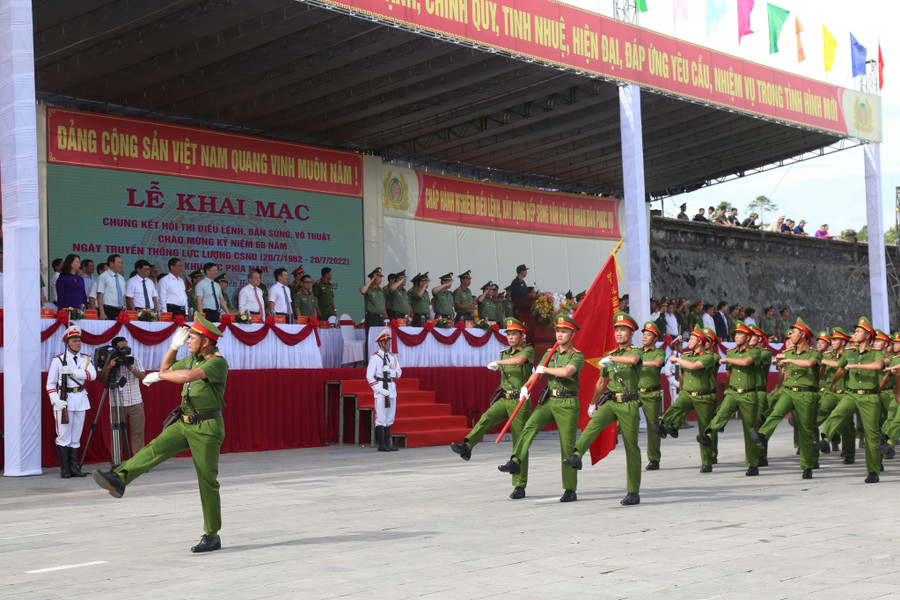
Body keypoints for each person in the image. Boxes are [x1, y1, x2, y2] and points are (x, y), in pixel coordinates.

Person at [93, 317, 229, 553]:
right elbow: (167, 368)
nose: (188, 341)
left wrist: (159, 376)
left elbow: (185, 377)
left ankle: (212, 534)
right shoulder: (191, 359)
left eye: (192, 338)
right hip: (184, 421)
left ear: (206, 341)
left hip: (206, 428)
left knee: (207, 480)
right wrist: (173, 347)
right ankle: (120, 478)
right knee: (154, 448)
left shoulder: (216, 362)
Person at [498, 314, 583, 503]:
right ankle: (516, 461)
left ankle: (570, 488)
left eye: (564, 331)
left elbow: (566, 372)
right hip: (549, 401)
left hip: (567, 403)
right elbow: (536, 374)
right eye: (558, 331)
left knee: (567, 446)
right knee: (529, 427)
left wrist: (545, 370)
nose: (559, 335)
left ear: (572, 333)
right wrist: (526, 387)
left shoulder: (576, 355)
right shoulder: (548, 354)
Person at [563, 312, 643, 505]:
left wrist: (612, 360)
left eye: (623, 330)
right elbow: (601, 382)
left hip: (629, 403)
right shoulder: (611, 355)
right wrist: (593, 403)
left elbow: (633, 360)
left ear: (631, 334)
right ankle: (577, 456)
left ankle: (633, 491)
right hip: (612, 402)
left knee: (631, 447)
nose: (618, 333)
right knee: (592, 426)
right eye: (616, 330)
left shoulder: (637, 351)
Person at [450, 317, 534, 499]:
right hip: (505, 399)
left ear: (522, 335)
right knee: (486, 418)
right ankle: (467, 446)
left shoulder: (527, 349)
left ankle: (520, 485)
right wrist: (500, 362)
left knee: (520, 442)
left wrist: (499, 363)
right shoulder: (504, 353)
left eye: (514, 334)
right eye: (509, 334)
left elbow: (519, 361)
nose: (510, 337)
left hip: (519, 401)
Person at [814, 317, 885, 483]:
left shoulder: (875, 353)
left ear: (867, 336)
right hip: (851, 393)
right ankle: (825, 440)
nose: (855, 334)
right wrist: (834, 382)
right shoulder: (849, 353)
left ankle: (873, 471)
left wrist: (856, 366)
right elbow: (840, 369)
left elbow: (878, 366)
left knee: (871, 434)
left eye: (858, 331)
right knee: (837, 413)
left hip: (869, 396)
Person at [749, 318, 820, 479]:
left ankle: (808, 465)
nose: (790, 337)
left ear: (802, 335)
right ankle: (762, 435)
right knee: (775, 413)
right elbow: (783, 372)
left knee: (806, 430)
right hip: (788, 391)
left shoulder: (813, 353)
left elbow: (809, 364)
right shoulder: (787, 353)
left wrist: (790, 360)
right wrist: (782, 364)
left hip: (806, 393)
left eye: (794, 333)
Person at [649, 327, 718, 472]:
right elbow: (681, 374)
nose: (689, 341)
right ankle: (664, 426)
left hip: (703, 396)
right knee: (675, 407)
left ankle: (707, 462)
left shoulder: (708, 357)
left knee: (704, 430)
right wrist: (681, 387)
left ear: (699, 341)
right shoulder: (686, 355)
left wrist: (678, 359)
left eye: (692, 339)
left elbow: (693, 366)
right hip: (687, 392)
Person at [697, 322, 761, 475]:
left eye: (740, 334)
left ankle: (753, 464)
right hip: (733, 392)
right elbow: (729, 374)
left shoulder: (754, 352)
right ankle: (708, 435)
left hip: (748, 394)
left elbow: (746, 362)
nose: (736, 336)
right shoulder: (731, 352)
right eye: (736, 334)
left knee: (749, 429)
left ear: (747, 337)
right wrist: (726, 389)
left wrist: (728, 360)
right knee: (720, 414)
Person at [46, 325, 96, 478]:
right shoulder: (59, 360)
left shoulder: (85, 359)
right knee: (63, 436)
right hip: (64, 400)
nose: (78, 344)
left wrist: (74, 371)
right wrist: (55, 400)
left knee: (76, 436)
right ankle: (65, 469)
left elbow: (92, 375)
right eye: (75, 341)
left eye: (79, 341)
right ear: (67, 343)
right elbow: (50, 384)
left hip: (80, 399)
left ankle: (74, 467)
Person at [100, 336, 147, 461]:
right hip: (116, 403)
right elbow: (103, 380)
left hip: (135, 402)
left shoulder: (134, 360)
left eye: (126, 346)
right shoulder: (110, 361)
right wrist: (110, 366)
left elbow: (143, 376)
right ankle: (116, 462)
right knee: (116, 434)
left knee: (138, 433)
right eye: (122, 347)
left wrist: (130, 367)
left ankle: (139, 461)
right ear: (115, 349)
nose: (125, 350)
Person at [817, 327, 855, 463]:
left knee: (848, 425)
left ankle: (849, 453)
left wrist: (825, 362)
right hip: (831, 393)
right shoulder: (827, 355)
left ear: (843, 342)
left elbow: (842, 365)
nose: (832, 342)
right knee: (817, 416)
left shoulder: (850, 354)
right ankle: (817, 445)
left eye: (836, 340)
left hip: (846, 393)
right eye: (832, 339)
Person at [366, 328, 402, 452]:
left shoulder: (392, 357)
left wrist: (390, 371)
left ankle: (388, 443)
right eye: (387, 342)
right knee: (381, 417)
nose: (389, 345)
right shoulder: (375, 358)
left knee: (390, 416)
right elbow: (369, 376)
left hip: (391, 388)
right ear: (381, 343)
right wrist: (379, 389)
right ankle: (382, 444)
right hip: (381, 387)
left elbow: (399, 372)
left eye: (390, 342)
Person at [96, 254, 126, 320]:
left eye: (121, 263)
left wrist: (125, 310)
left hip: (120, 310)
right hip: (108, 310)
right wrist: (102, 313)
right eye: (119, 262)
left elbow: (123, 295)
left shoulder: (121, 278)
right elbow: (99, 295)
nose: (121, 265)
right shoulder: (103, 276)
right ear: (111, 264)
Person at [360, 267, 387, 337]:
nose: (381, 279)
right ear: (373, 278)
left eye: (381, 277)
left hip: (380, 318)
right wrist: (371, 281)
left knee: (380, 339)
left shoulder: (381, 290)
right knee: (370, 339)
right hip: (372, 318)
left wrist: (385, 314)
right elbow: (362, 291)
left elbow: (382, 303)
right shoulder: (369, 289)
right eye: (379, 277)